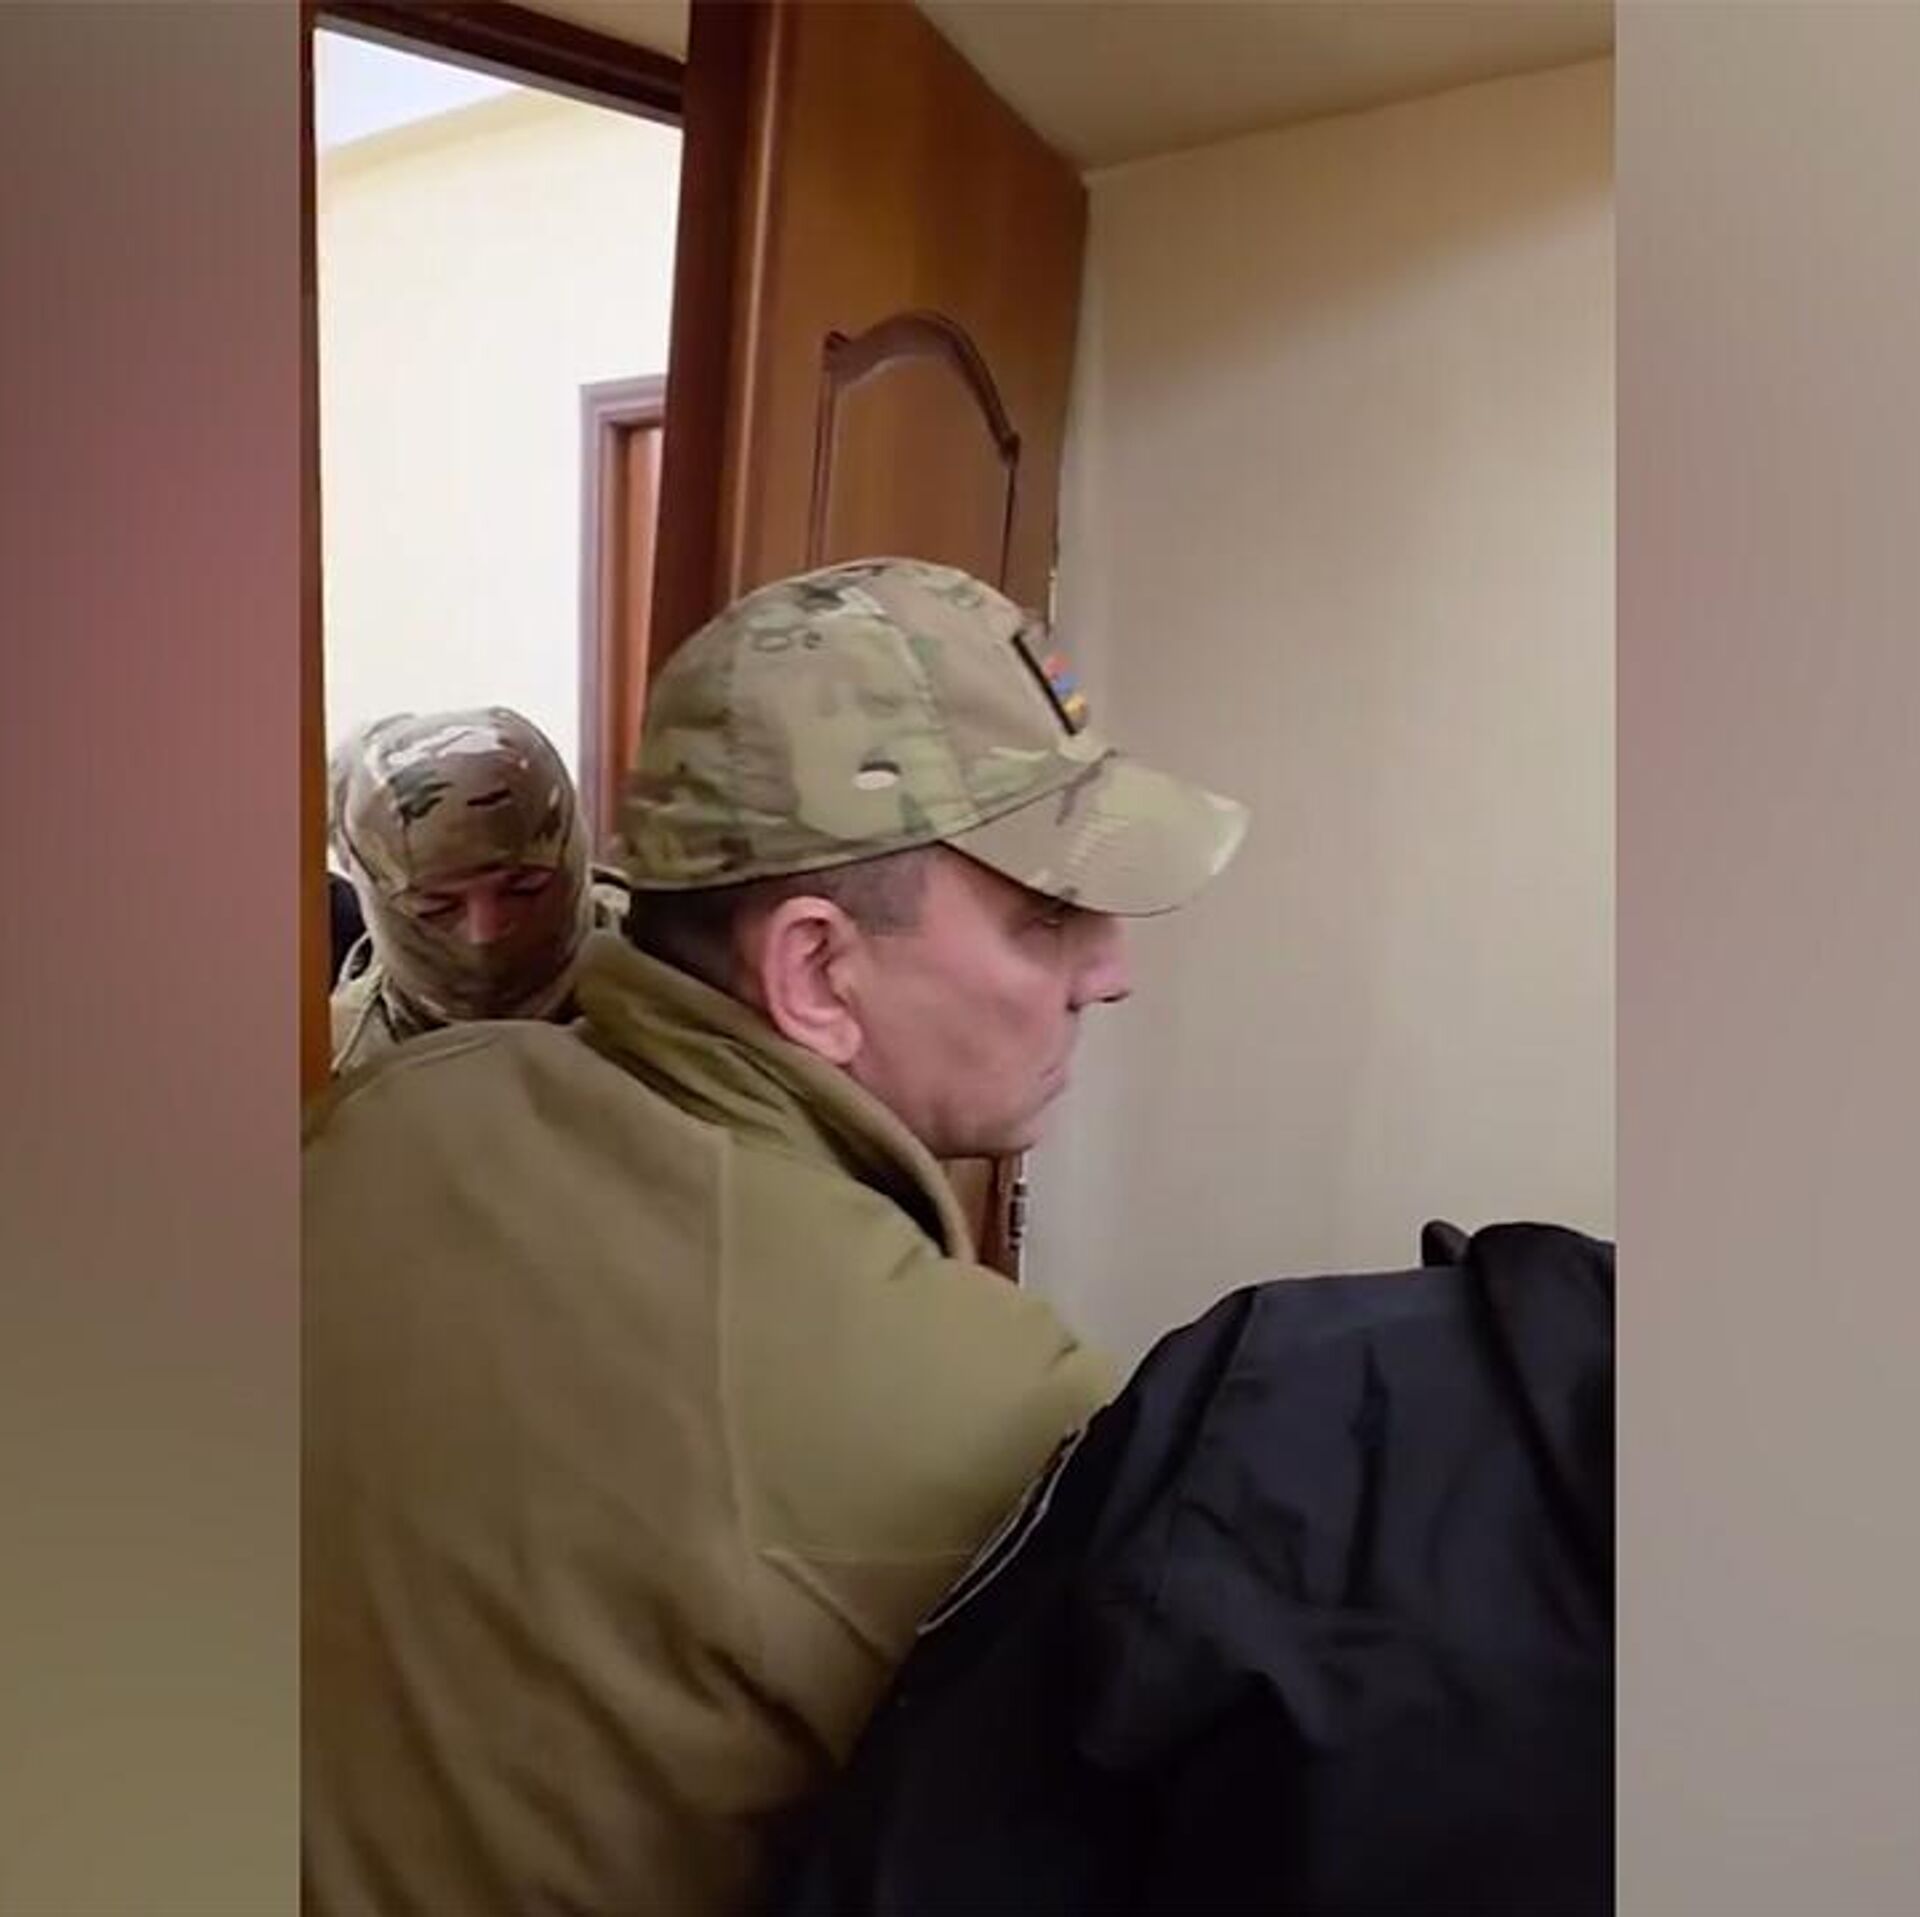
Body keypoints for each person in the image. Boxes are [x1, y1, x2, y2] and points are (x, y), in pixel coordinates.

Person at [302, 558, 1249, 1917]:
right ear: (815, 969)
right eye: (1045, 915)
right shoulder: (994, 1411)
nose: (1110, 969)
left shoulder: (385, 1117)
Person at [327, 705, 616, 1075]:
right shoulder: (331, 1064)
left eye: (525, 888)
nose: (485, 932)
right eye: (436, 906)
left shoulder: (670, 985)